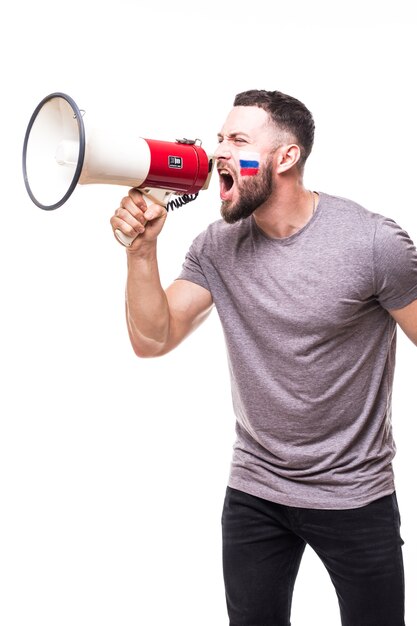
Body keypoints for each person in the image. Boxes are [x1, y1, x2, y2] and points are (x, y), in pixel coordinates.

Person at [110, 90, 417, 626]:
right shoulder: (216, 245)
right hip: (256, 488)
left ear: (286, 157)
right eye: (219, 137)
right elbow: (153, 339)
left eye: (238, 140)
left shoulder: (372, 243)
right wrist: (142, 250)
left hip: (354, 492)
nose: (218, 152)